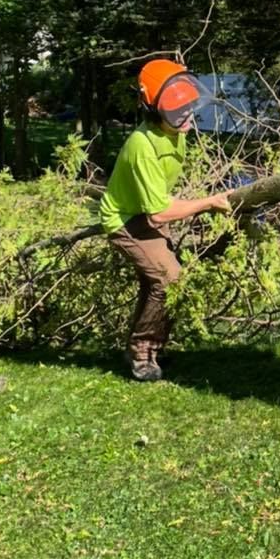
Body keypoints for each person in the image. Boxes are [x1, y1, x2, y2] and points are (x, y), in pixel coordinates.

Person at [101, 60, 231, 382]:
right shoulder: (141, 145)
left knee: (157, 283)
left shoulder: (177, 134)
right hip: (125, 221)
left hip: (148, 213)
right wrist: (206, 203)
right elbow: (157, 211)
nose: (186, 117)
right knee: (170, 278)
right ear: (153, 109)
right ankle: (142, 353)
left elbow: (159, 197)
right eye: (177, 112)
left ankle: (149, 349)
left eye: (188, 107)